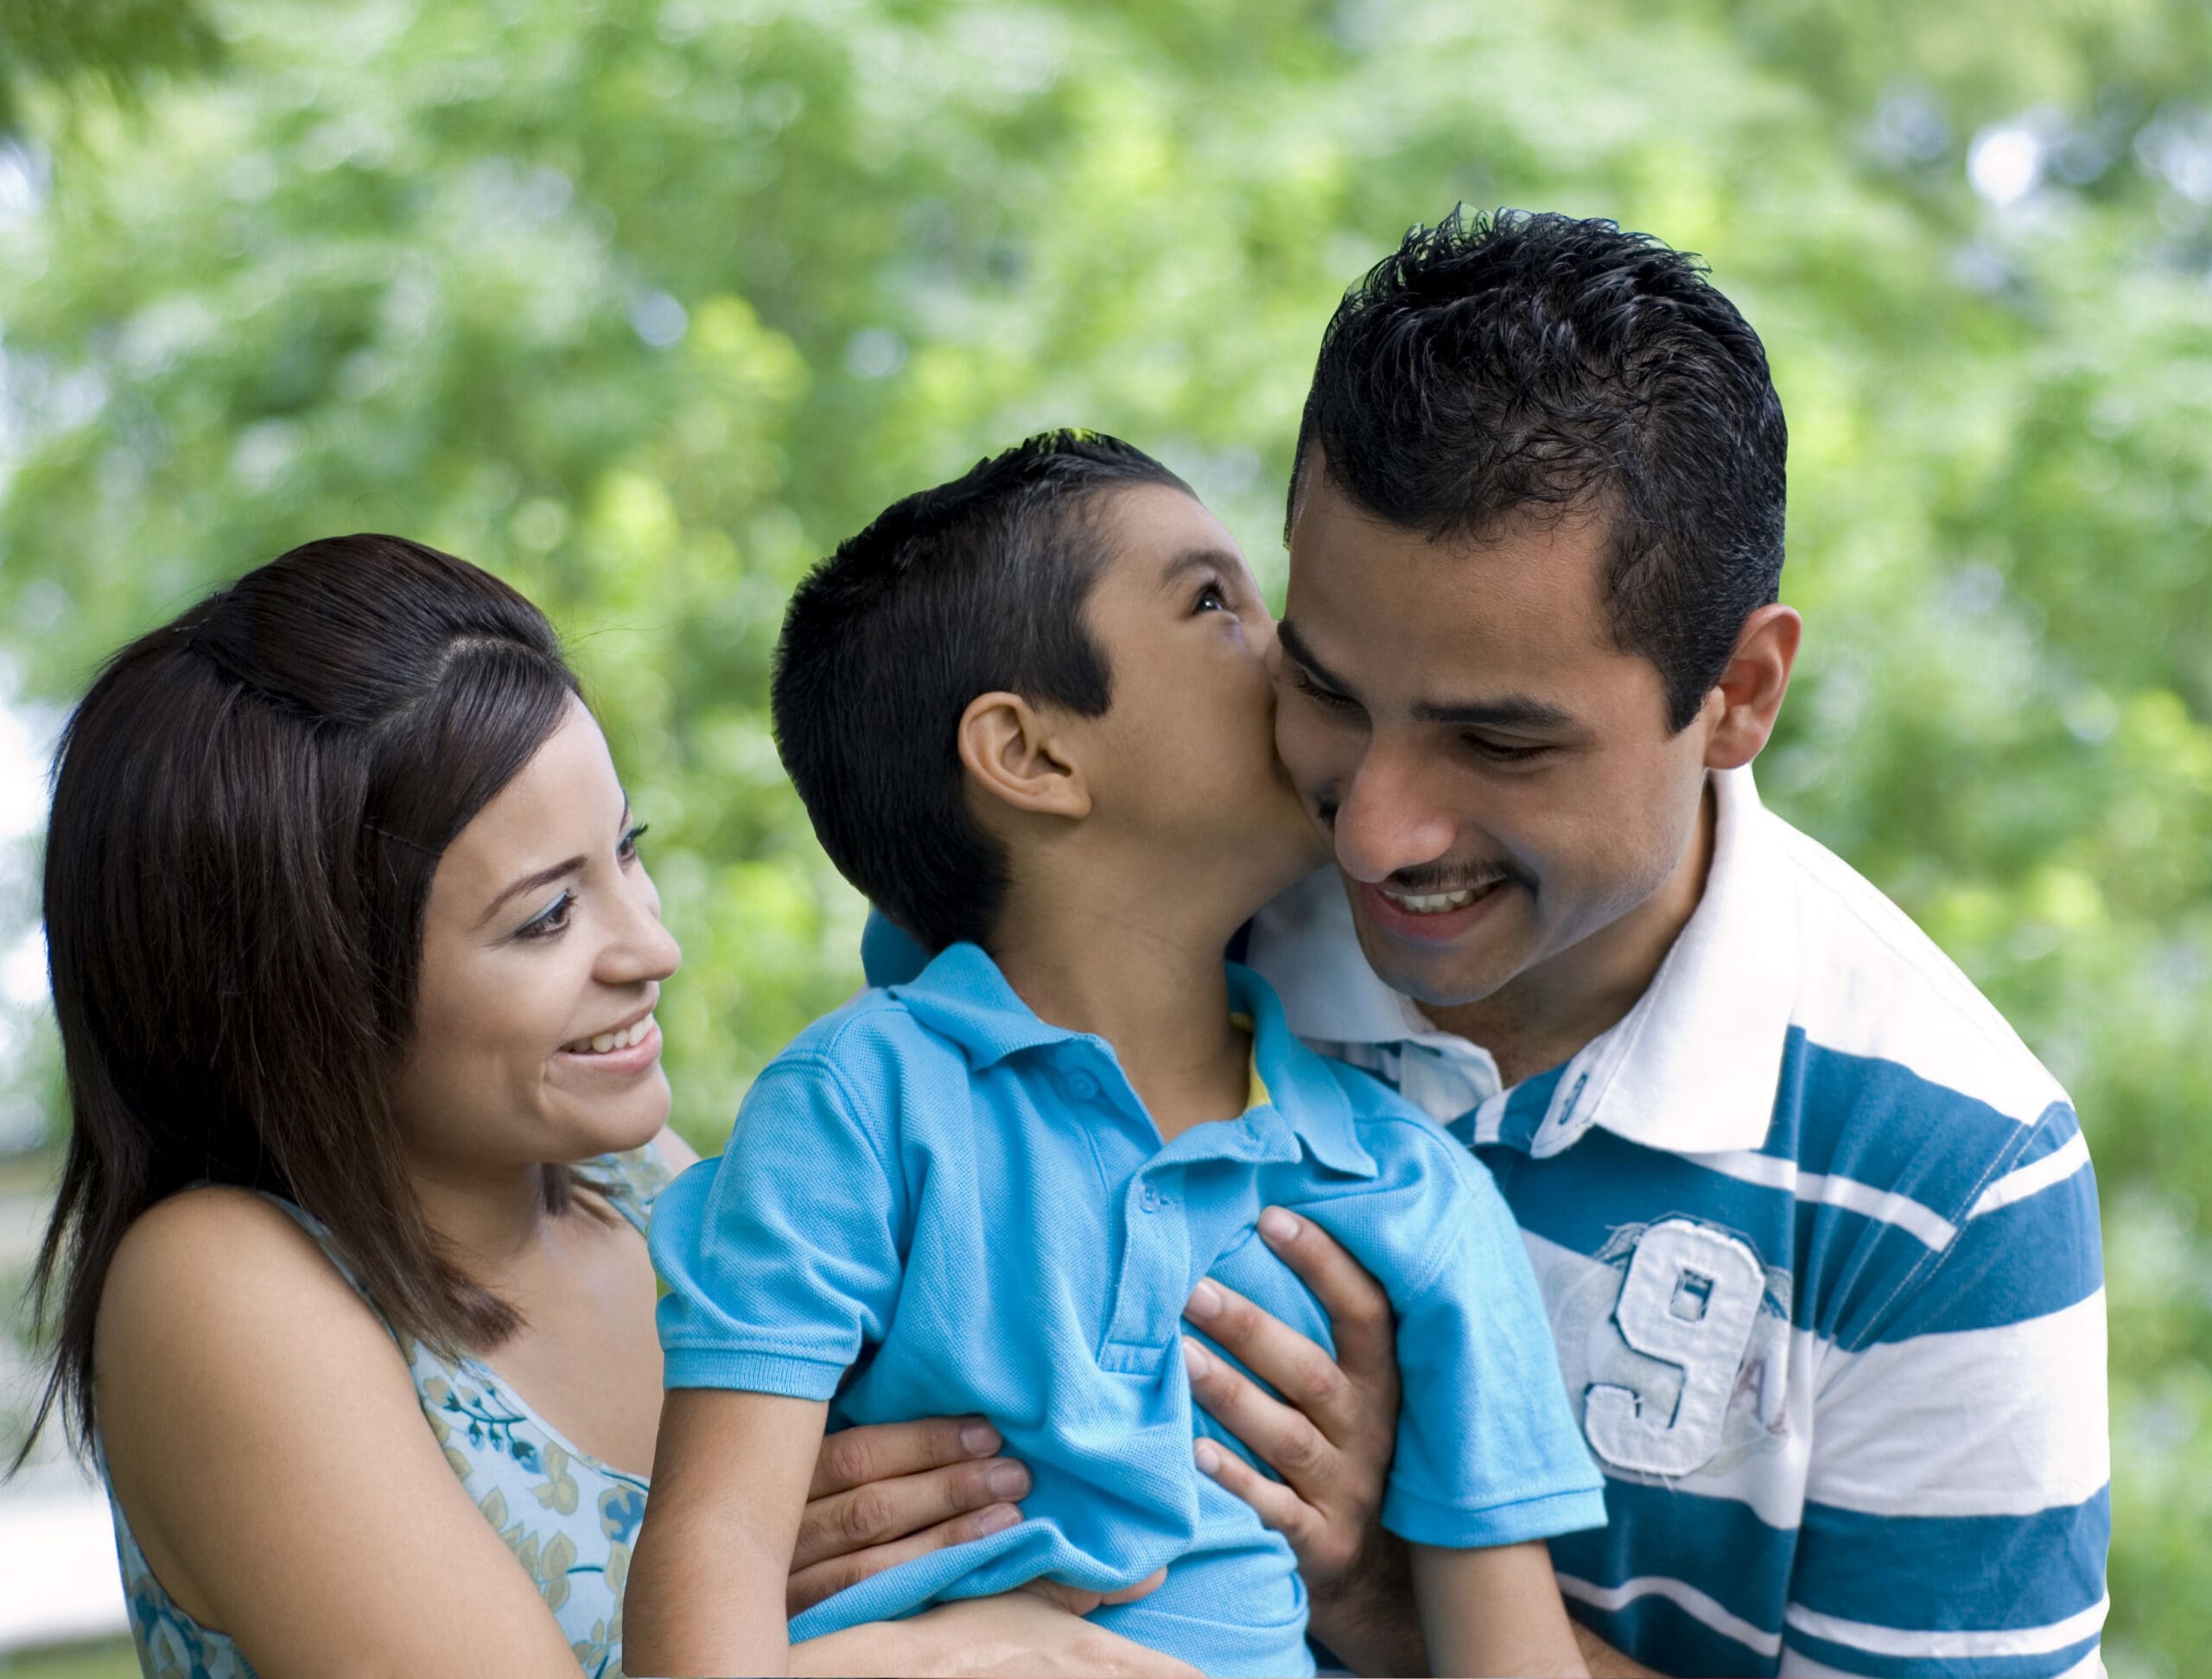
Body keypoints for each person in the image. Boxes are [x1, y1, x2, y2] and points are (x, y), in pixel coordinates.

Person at [853, 211, 2110, 1679]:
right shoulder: (1115, 909)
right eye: (1326, 690)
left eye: (1499, 739)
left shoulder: (1948, 1172)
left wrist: (1408, 1595)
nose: (1378, 833)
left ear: (1740, 693)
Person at [19, 532, 1201, 1679]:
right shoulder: (220, 1282)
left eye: (625, 853)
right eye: (545, 917)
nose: (654, 945)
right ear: (308, 992)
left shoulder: (643, 1191)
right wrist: (914, 1648)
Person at [624, 433, 1609, 1678]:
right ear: (1032, 754)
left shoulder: (1413, 1190)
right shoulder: (856, 1110)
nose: (1292, 648)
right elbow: (713, 1541)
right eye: (1213, 603)